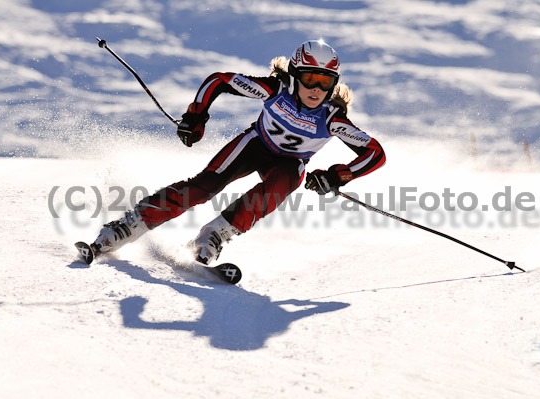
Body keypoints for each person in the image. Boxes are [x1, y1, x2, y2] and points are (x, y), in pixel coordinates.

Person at [87, 39, 386, 265]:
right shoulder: (275, 89)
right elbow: (219, 81)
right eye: (310, 79)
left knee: (286, 180)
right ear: (295, 75)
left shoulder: (331, 117)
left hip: (289, 163)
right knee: (205, 187)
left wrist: (336, 176)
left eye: (325, 82)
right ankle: (131, 224)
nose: (316, 90)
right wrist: (195, 117)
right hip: (255, 146)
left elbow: (374, 153)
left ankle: (214, 234)